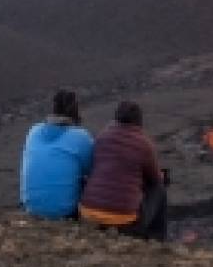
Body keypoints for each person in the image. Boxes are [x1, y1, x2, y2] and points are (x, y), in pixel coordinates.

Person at [79, 100, 167, 240]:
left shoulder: (101, 137)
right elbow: (155, 179)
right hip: (123, 223)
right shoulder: (143, 143)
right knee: (160, 187)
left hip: (89, 215)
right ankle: (156, 239)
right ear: (139, 121)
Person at [19, 89, 95, 220]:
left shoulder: (34, 130)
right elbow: (91, 169)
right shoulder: (80, 136)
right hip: (64, 211)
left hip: (31, 207)